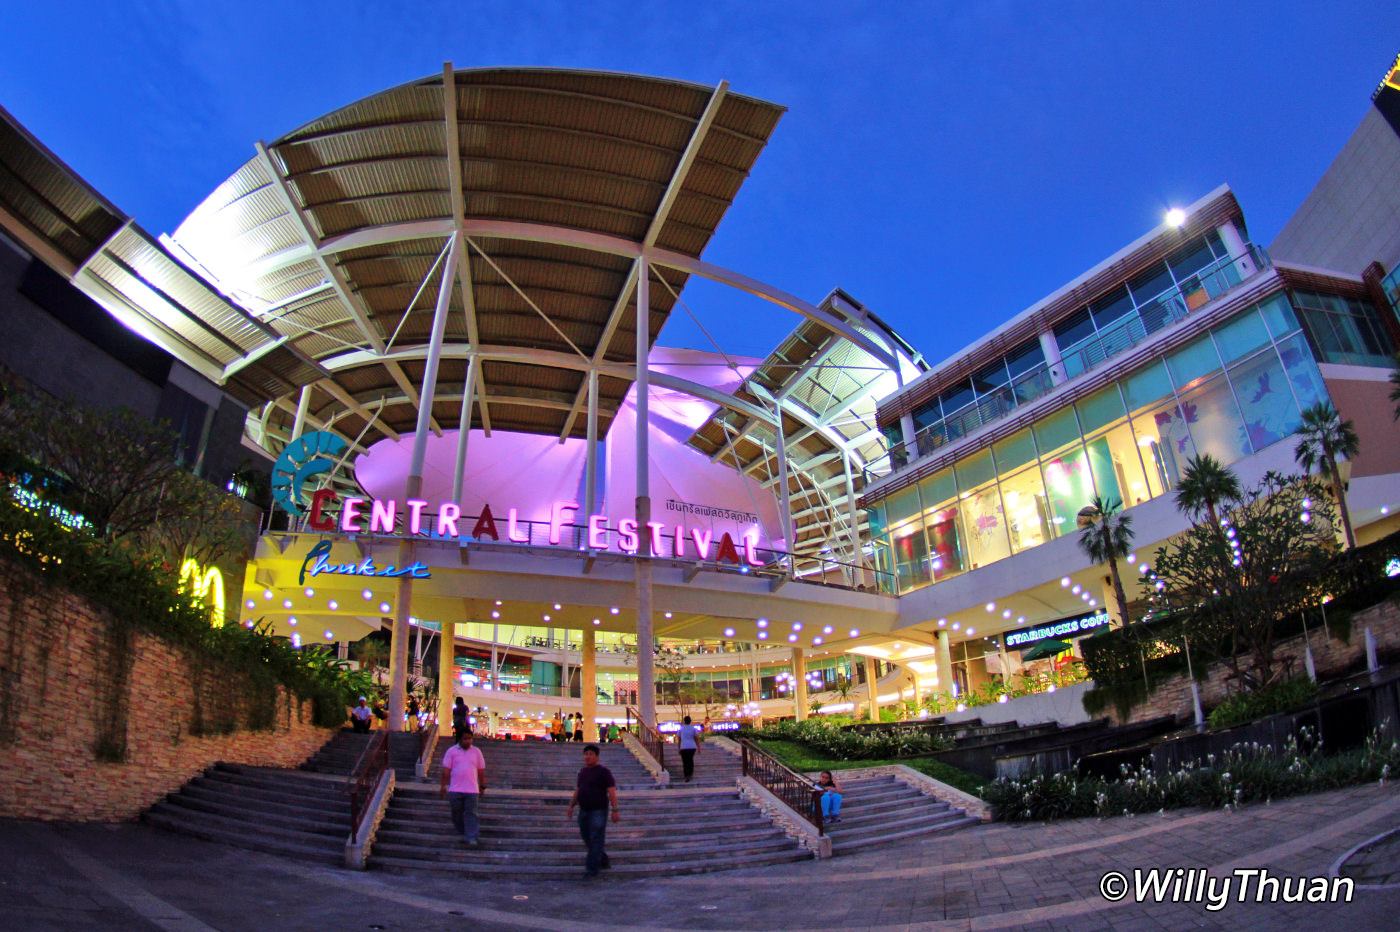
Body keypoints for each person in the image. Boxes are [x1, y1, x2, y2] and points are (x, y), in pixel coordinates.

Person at [566, 744, 618, 880]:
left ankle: (591, 870)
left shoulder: (603, 772)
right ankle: (603, 859)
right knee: (587, 837)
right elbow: (579, 790)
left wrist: (615, 809)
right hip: (584, 810)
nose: (588, 757)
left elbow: (611, 791)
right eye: (586, 754)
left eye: (590, 754)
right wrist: (571, 805)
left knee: (596, 838)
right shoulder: (582, 772)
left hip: (599, 810)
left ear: (597, 756)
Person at [439, 731, 486, 846]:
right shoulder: (452, 751)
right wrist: (443, 785)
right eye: (465, 739)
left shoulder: (476, 752)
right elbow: (446, 770)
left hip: (472, 790)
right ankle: (463, 832)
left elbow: (481, 770)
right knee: (456, 813)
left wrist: (482, 785)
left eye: (470, 738)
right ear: (459, 739)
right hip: (455, 789)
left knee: (471, 813)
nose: (468, 741)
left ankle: (471, 836)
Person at [676, 715, 702, 783]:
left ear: (684, 721)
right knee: (690, 760)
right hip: (692, 746)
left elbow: (679, 740)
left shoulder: (681, 729)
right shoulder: (693, 729)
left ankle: (686, 775)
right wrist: (699, 747)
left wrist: (679, 748)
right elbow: (696, 739)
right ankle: (690, 773)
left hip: (683, 747)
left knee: (685, 761)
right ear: (690, 721)